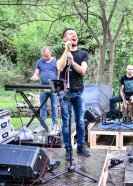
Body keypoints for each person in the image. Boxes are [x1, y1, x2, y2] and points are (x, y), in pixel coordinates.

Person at [57, 28, 90, 160]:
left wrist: (73, 62)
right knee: (66, 123)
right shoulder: (62, 54)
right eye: (71, 34)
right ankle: (68, 149)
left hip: (79, 93)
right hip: (65, 94)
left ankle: (81, 146)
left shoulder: (83, 54)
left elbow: (82, 71)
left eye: (75, 34)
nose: (74, 35)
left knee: (80, 122)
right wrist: (66, 51)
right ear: (65, 39)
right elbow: (59, 68)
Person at [31, 46, 58, 133]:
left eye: (46, 56)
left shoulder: (56, 61)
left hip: (53, 87)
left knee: (54, 106)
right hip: (43, 88)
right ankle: (42, 125)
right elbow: (36, 73)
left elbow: (60, 73)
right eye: (43, 56)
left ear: (50, 53)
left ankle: (55, 125)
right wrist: (35, 76)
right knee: (43, 107)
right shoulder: (40, 62)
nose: (45, 57)